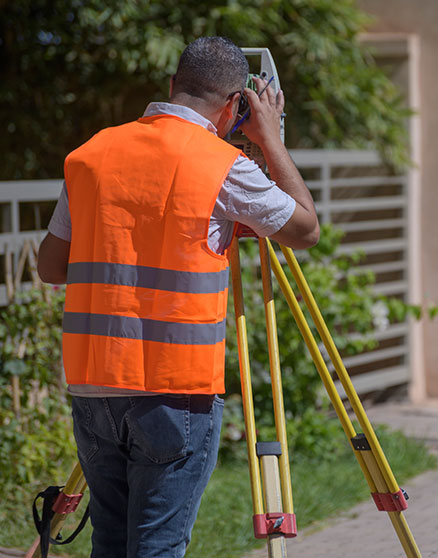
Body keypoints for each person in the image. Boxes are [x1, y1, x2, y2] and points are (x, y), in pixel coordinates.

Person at [37, 36, 319, 557]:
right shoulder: (222, 166)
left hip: (94, 385)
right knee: (156, 546)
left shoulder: (91, 154)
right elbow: (304, 231)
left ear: (171, 86)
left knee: (112, 543)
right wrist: (272, 140)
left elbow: (51, 265)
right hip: (174, 388)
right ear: (238, 106)